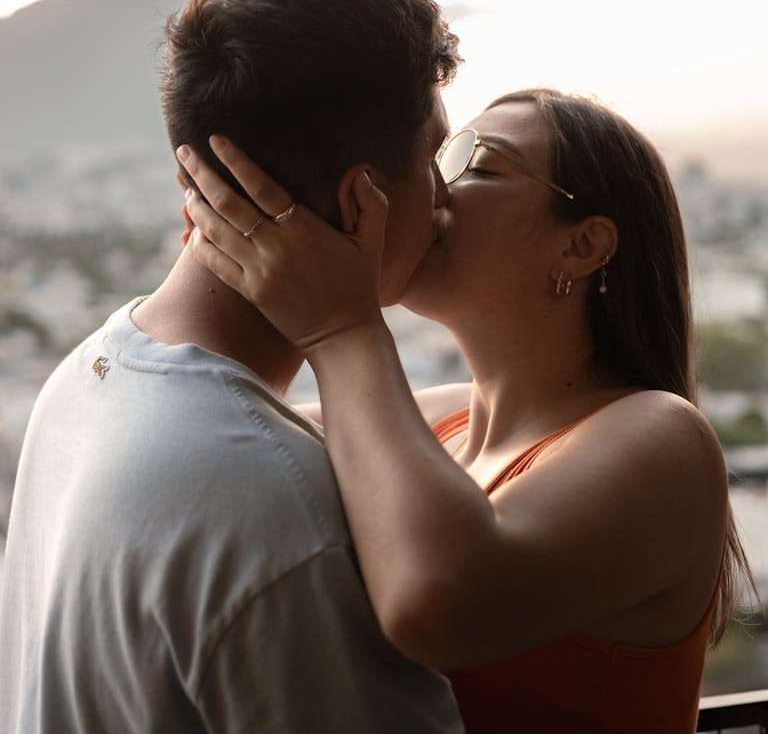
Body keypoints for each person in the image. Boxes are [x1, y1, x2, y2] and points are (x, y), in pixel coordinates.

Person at [178, 87, 757, 734]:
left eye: (477, 166)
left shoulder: (662, 436)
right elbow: (213, 436)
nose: (431, 192)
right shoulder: (434, 422)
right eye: (437, 162)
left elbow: (442, 603)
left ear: (583, 246)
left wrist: (343, 331)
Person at [0, 0, 466, 734]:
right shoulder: (275, 501)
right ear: (361, 203)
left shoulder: (86, 376)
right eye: (433, 160)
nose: (448, 198)